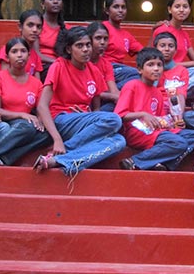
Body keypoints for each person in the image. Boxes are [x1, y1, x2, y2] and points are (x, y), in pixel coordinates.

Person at [33, 27, 126, 175]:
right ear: (69, 49)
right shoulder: (59, 66)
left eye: (88, 45)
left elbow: (95, 109)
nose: (85, 50)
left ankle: (60, 160)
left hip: (82, 123)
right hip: (61, 119)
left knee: (119, 141)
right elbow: (42, 106)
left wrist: (87, 116)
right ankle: (65, 149)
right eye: (80, 45)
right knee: (114, 120)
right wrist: (57, 139)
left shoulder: (93, 70)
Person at [116, 48, 194, 171]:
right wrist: (143, 115)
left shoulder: (157, 93)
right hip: (136, 131)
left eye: (159, 65)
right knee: (178, 143)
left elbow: (161, 120)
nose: (156, 69)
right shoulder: (132, 85)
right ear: (139, 69)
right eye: (150, 65)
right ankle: (134, 161)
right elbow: (120, 115)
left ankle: (165, 164)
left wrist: (173, 123)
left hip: (156, 131)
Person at [0, 38, 50, 165]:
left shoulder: (36, 83)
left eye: (23, 51)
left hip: (25, 125)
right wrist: (22, 115)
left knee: (47, 134)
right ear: (7, 56)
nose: (19, 55)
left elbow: (40, 109)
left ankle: (5, 158)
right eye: (14, 51)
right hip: (4, 121)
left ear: (29, 55)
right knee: (26, 126)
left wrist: (40, 121)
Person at [102, 0, 144, 88]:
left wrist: (154, 31)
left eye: (123, 7)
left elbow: (144, 52)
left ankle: (113, 92)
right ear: (107, 11)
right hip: (105, 68)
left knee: (145, 75)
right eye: (116, 7)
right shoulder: (102, 28)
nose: (120, 10)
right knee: (139, 75)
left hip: (120, 71)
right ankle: (112, 92)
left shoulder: (126, 35)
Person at [154, 32, 189, 127]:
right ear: (155, 49)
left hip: (173, 108)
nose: (166, 49)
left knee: (189, 117)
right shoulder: (150, 68)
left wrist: (179, 118)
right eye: (162, 46)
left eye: (171, 46)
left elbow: (181, 94)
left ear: (175, 50)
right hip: (153, 105)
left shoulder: (181, 70)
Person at [0, 9, 43, 79]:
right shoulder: (9, 50)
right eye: (30, 25)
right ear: (20, 27)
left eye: (38, 27)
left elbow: (38, 85)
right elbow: (5, 80)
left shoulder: (35, 56)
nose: (35, 30)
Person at [37, 0, 70, 81]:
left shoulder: (66, 28)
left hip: (61, 66)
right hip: (42, 67)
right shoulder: (37, 25)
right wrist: (56, 62)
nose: (55, 1)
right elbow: (36, 54)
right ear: (42, 4)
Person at [87, 21, 120, 111]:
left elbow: (113, 89)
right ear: (89, 40)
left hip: (101, 103)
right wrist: (111, 96)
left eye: (105, 39)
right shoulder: (82, 62)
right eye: (98, 38)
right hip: (84, 103)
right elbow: (85, 91)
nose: (102, 42)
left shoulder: (106, 64)